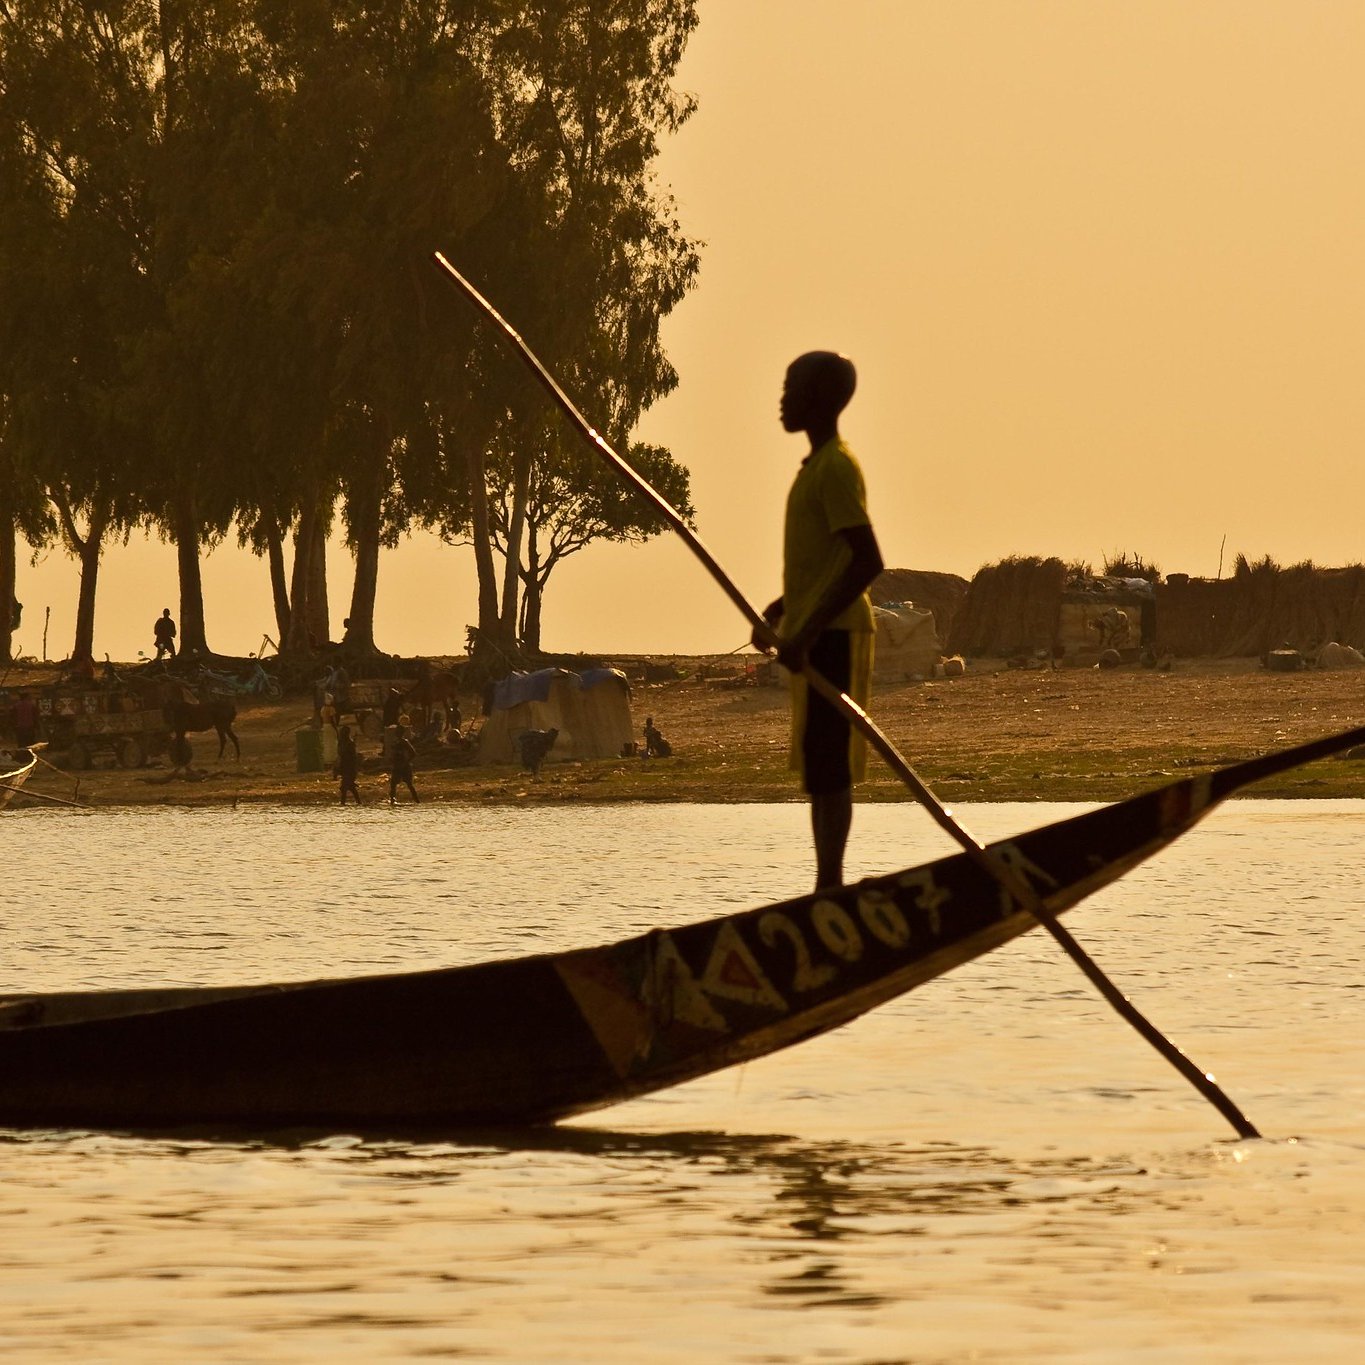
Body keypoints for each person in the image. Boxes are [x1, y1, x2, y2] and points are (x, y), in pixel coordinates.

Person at [752, 351, 883, 892]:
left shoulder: (835, 466)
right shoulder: (813, 469)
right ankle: (825, 880)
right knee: (818, 770)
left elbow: (866, 560)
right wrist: (781, 610)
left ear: (821, 400)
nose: (783, 398)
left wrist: (806, 630)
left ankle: (831, 882)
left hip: (836, 633)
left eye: (792, 387)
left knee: (832, 769)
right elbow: (822, 562)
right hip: (812, 632)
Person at [388, 724, 419, 804]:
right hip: (397, 766)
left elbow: (413, 753)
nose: (396, 733)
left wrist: (406, 762)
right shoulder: (395, 742)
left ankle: (417, 801)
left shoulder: (404, 742)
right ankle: (392, 801)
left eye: (398, 731)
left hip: (404, 766)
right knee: (393, 784)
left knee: (409, 784)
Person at [337, 723, 362, 805]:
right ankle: (358, 802)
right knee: (349, 787)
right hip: (345, 768)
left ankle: (343, 803)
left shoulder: (349, 744)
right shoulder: (343, 743)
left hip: (349, 768)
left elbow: (352, 758)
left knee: (345, 787)